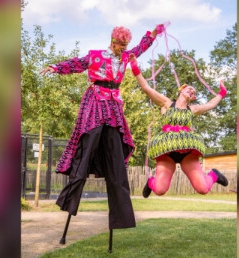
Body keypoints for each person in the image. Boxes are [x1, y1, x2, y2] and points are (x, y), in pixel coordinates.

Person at [40, 24, 164, 230]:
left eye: (125, 47)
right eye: (120, 46)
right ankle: (69, 200)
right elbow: (77, 64)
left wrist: (152, 34)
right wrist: (55, 67)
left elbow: (141, 48)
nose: (123, 50)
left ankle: (121, 218)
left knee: (116, 160)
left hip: (114, 106)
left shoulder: (126, 56)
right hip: (95, 102)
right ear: (113, 42)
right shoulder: (95, 56)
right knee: (86, 149)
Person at [129, 55, 228, 198]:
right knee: (160, 190)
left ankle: (214, 175)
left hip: (187, 152)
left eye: (194, 92)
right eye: (189, 88)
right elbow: (146, 88)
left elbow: (211, 104)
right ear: (181, 90)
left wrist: (222, 92)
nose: (192, 91)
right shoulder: (166, 104)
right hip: (166, 151)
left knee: (203, 189)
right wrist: (134, 66)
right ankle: (151, 182)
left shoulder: (192, 109)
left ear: (192, 98)